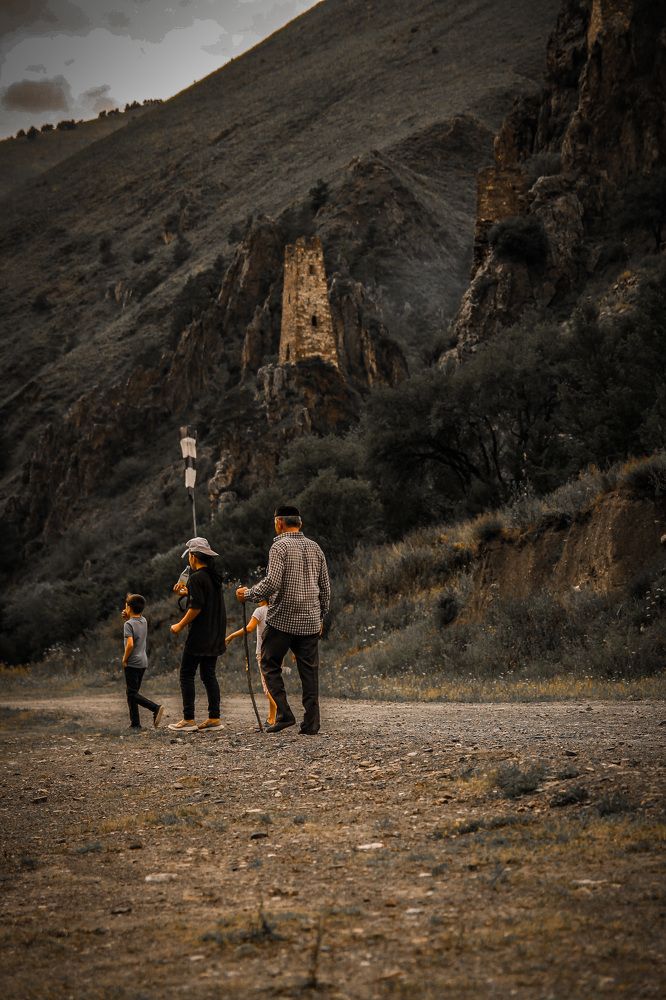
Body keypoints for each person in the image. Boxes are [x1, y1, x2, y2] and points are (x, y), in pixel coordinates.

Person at [236, 505, 330, 735]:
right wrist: (321, 617)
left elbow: (272, 582)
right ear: (300, 523)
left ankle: (284, 714)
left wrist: (248, 594)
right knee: (309, 673)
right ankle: (311, 723)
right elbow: (325, 587)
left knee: (269, 663)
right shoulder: (315, 547)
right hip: (310, 621)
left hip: (283, 620)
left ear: (279, 522)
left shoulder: (279, 546)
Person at [168, 537, 227, 732]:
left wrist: (179, 625)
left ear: (193, 556)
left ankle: (188, 719)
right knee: (208, 675)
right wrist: (187, 593)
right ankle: (214, 718)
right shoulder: (213, 577)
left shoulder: (196, 578)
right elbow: (204, 599)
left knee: (186, 674)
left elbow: (196, 608)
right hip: (215, 633)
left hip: (200, 635)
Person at [225, 601, 278, 726]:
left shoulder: (260, 611)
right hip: (278, 652)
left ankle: (282, 711)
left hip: (264, 653)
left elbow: (249, 628)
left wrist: (231, 636)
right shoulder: (277, 609)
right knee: (274, 684)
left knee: (267, 686)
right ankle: (272, 718)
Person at [121, 593, 164, 731]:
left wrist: (124, 659)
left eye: (126, 606)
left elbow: (130, 644)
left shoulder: (128, 624)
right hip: (143, 662)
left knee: (131, 693)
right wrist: (128, 616)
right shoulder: (143, 620)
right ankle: (135, 724)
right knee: (132, 693)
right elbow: (135, 624)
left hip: (132, 662)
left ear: (129, 607)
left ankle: (155, 708)